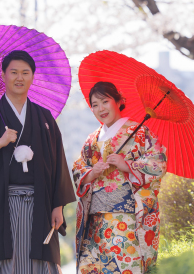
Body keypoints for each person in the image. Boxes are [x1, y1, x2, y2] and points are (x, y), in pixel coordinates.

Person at [0, 50, 76, 273]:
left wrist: (57, 205)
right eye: (13, 72)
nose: (19, 78)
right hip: (1, 203)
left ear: (32, 76)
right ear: (3, 76)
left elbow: (58, 161)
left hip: (40, 204)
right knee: (6, 261)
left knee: (38, 261)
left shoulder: (44, 118)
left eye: (25, 72)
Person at [72, 82, 167, 274]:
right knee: (92, 268)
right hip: (94, 221)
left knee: (125, 266)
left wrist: (128, 165)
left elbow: (158, 163)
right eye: (95, 105)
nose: (100, 109)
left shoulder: (140, 133)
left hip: (125, 219)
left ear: (119, 101)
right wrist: (92, 172)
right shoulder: (91, 140)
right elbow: (78, 168)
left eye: (105, 101)